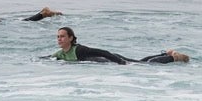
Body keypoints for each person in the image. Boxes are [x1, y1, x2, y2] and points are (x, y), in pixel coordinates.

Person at [47, 26, 189, 64]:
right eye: (58, 37)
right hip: (111, 60)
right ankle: (166, 54)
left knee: (146, 64)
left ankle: (174, 58)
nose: (59, 39)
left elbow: (102, 52)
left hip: (112, 59)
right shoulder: (60, 53)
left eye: (62, 36)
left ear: (71, 38)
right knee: (140, 62)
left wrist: (120, 62)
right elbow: (48, 58)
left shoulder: (79, 50)